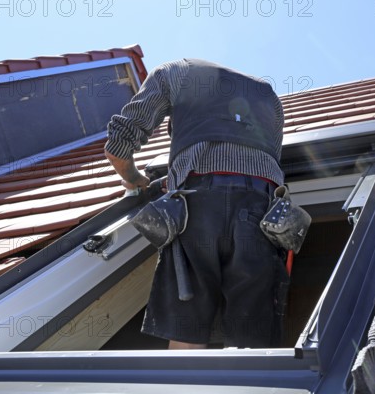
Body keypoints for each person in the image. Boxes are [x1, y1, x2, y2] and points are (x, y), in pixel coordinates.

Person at [104, 59, 286, 350]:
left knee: (186, 334)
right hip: (262, 212)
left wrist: (135, 178)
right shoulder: (268, 95)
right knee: (251, 342)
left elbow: (118, 147)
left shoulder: (174, 72)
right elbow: (273, 161)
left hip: (196, 206)